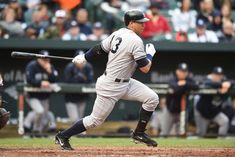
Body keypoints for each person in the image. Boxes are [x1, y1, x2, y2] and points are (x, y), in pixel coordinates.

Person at [55, 9, 159, 150]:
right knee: (95, 121)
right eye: (140, 23)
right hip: (110, 85)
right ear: (131, 23)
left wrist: (85, 57)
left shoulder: (118, 33)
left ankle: (139, 133)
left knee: (152, 98)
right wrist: (150, 55)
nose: (143, 25)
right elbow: (145, 69)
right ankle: (63, 136)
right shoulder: (135, 40)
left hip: (126, 82)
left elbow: (99, 48)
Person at [23, 50, 58, 135]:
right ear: (38, 59)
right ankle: (36, 130)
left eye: (47, 60)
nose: (46, 61)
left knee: (44, 114)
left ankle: (37, 130)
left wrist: (50, 72)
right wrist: (40, 83)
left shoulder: (50, 67)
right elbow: (29, 80)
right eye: (44, 59)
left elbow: (55, 80)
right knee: (39, 111)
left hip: (44, 96)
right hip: (32, 95)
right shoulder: (32, 66)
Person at [160, 63, 198, 136]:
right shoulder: (172, 79)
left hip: (182, 111)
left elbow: (196, 86)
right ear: (177, 71)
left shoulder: (188, 80)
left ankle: (178, 147)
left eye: (184, 71)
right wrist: (185, 86)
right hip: (169, 110)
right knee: (164, 133)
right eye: (181, 71)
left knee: (182, 134)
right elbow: (176, 88)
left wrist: (185, 83)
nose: (183, 73)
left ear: (187, 72)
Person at [194, 66, 231, 137]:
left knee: (225, 121)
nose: (218, 77)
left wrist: (228, 84)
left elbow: (232, 82)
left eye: (220, 75)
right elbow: (206, 83)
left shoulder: (224, 81)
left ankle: (221, 142)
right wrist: (220, 86)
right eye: (216, 75)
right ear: (212, 74)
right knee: (201, 134)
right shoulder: (207, 80)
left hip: (215, 113)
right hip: (203, 113)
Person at [64, 51, 94, 123]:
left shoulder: (88, 67)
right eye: (79, 61)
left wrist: (79, 79)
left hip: (82, 97)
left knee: (80, 119)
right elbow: (67, 81)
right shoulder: (70, 67)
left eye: (83, 61)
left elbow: (90, 80)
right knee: (74, 119)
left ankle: (80, 134)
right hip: (71, 98)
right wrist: (82, 78)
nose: (82, 63)